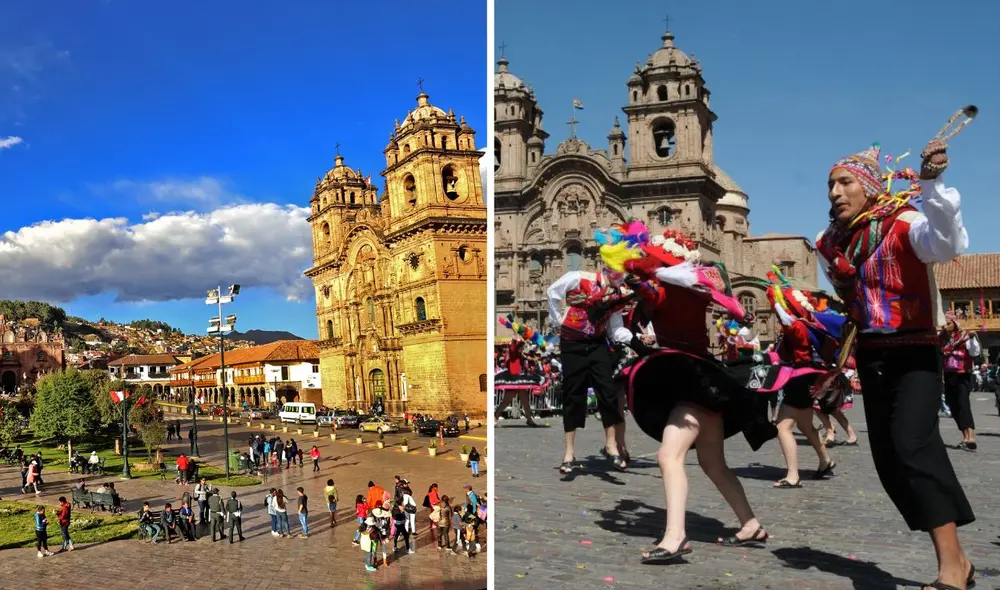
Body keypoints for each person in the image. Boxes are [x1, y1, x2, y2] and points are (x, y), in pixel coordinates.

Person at [816, 139, 975, 590]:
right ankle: (958, 560)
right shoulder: (831, 242)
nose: (835, 192)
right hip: (872, 353)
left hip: (916, 350)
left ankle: (950, 570)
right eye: (830, 185)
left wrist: (932, 184)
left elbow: (946, 244)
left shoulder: (906, 224)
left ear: (868, 187)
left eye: (845, 182)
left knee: (913, 446)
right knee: (889, 459)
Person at [609, 225, 776, 564]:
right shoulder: (695, 290)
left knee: (669, 457)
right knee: (713, 464)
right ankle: (750, 524)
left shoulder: (663, 291)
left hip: (690, 382)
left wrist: (628, 272)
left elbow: (648, 295)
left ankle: (676, 536)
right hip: (706, 378)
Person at [547, 260, 636, 472]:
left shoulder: (618, 295)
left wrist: (636, 341)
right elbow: (553, 292)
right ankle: (569, 453)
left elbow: (615, 329)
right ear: (608, 268)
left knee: (608, 392)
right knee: (573, 394)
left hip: (597, 343)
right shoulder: (579, 278)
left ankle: (611, 444)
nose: (622, 276)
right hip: (572, 344)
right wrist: (559, 320)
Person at [940, 312, 980, 451]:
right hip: (948, 375)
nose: (946, 326)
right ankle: (965, 436)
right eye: (944, 324)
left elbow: (974, 353)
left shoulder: (965, 336)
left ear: (955, 323)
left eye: (949, 323)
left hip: (962, 374)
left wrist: (973, 340)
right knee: (954, 406)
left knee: (963, 403)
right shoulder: (942, 338)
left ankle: (971, 436)